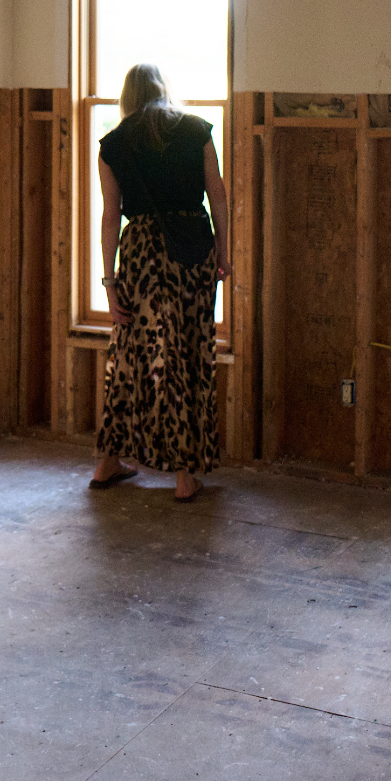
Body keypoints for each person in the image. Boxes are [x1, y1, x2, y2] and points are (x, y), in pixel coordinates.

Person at [88, 64, 231, 501]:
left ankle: (108, 461)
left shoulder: (112, 146)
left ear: (126, 98)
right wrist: (224, 251)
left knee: (130, 356)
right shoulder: (195, 130)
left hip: (141, 256)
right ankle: (186, 475)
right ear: (163, 91)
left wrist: (109, 282)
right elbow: (218, 196)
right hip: (192, 250)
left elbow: (111, 217)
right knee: (188, 354)